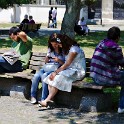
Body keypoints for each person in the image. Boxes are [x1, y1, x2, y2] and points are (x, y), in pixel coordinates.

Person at [39, 34, 86, 107]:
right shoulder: (68, 49)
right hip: (69, 70)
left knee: (57, 78)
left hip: (78, 72)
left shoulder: (74, 50)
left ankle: (46, 100)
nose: (59, 46)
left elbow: (67, 64)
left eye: (60, 44)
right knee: (50, 77)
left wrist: (55, 72)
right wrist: (54, 73)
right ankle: (51, 100)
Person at [90, 26, 124, 114]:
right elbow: (122, 63)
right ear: (117, 38)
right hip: (104, 78)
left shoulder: (100, 44)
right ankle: (121, 107)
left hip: (94, 76)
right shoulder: (116, 48)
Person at [31, 33, 65, 104]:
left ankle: (44, 98)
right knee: (36, 76)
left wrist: (58, 60)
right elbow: (46, 62)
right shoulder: (50, 49)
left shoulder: (63, 51)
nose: (54, 46)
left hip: (55, 69)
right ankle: (33, 96)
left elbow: (65, 64)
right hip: (47, 67)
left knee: (44, 76)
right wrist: (46, 59)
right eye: (52, 44)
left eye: (55, 44)